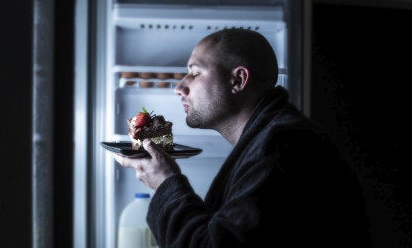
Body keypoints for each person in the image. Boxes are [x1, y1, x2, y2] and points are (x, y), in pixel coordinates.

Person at [113, 28, 371, 247]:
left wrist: (165, 182)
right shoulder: (273, 137)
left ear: (238, 80)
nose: (180, 87)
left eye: (195, 72)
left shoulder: (282, 147)